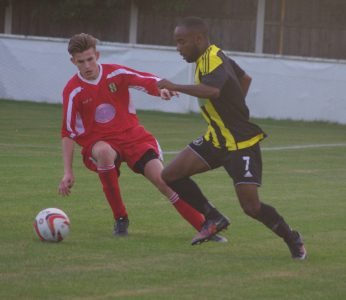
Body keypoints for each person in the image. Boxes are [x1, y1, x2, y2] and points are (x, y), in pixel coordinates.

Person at [157, 17, 307, 259]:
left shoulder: (213, 58)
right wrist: (234, 106)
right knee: (169, 175)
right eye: (176, 42)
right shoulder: (209, 57)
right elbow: (244, 78)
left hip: (240, 144)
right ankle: (213, 217)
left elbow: (213, 90)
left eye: (181, 42)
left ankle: (292, 237)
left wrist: (175, 85)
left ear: (198, 39)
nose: (178, 48)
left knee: (251, 207)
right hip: (215, 139)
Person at [58, 33, 226, 242]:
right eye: (81, 61)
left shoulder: (115, 74)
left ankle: (204, 227)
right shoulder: (73, 90)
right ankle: (121, 218)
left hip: (134, 138)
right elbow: (67, 133)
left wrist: (162, 89)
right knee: (103, 152)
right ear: (73, 61)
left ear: (97, 55)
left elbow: (145, 80)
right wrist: (67, 172)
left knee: (164, 181)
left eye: (90, 59)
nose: (87, 66)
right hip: (99, 142)